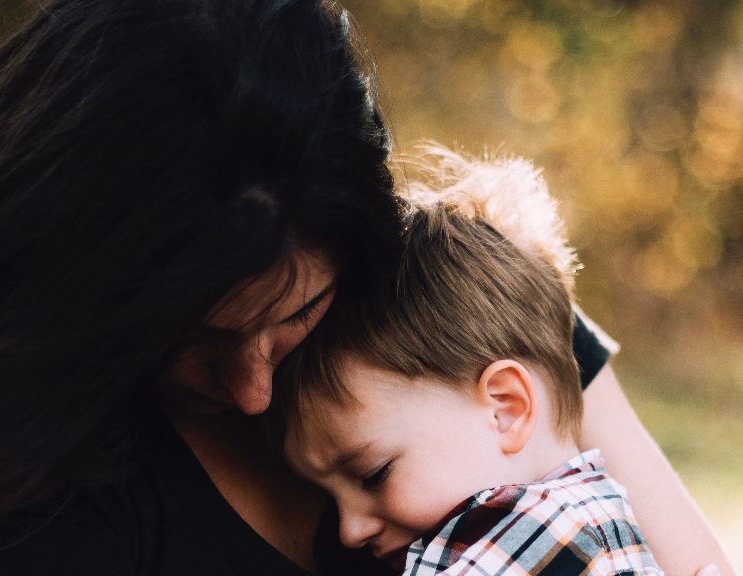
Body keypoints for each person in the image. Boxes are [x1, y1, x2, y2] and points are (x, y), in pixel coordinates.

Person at [0, 0, 732, 575]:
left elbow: (693, 565)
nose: (253, 391)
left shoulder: (456, 315)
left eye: (296, 315)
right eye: (190, 338)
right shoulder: (31, 496)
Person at [272, 150, 663, 575]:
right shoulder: (586, 521)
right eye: (330, 498)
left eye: (373, 475)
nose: (349, 531)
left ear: (506, 408)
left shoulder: (537, 543)